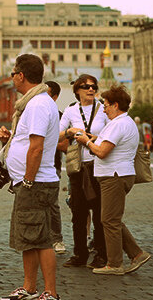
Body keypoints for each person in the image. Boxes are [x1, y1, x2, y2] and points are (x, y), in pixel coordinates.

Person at [0, 54, 61, 300]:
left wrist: (28, 180)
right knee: (28, 237)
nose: (12, 77)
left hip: (35, 182)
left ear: (21, 75)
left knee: (41, 238)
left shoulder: (36, 105)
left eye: (13, 73)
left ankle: (50, 292)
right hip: (30, 181)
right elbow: (27, 141)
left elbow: (36, 146)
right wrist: (9, 139)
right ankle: (30, 287)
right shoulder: (35, 103)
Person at [73, 85, 151, 275]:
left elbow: (102, 152)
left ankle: (115, 264)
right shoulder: (124, 123)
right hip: (116, 174)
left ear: (116, 105)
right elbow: (108, 143)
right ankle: (137, 254)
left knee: (109, 220)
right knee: (112, 218)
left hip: (114, 176)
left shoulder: (119, 124)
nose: (104, 108)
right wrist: (94, 138)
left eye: (106, 105)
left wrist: (86, 142)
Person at [58, 74, 108, 268]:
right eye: (86, 86)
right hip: (78, 168)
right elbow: (57, 134)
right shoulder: (71, 111)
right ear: (77, 90)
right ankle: (80, 254)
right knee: (78, 212)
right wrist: (69, 132)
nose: (91, 90)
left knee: (99, 213)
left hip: (99, 166)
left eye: (94, 86)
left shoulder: (103, 109)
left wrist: (95, 137)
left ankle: (101, 254)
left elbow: (111, 132)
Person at [44, 81, 66, 255]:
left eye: (47, 93)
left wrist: (46, 140)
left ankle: (57, 239)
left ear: (55, 97)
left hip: (52, 167)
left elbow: (65, 145)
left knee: (52, 204)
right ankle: (40, 239)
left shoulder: (60, 116)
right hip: (32, 165)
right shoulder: (34, 111)